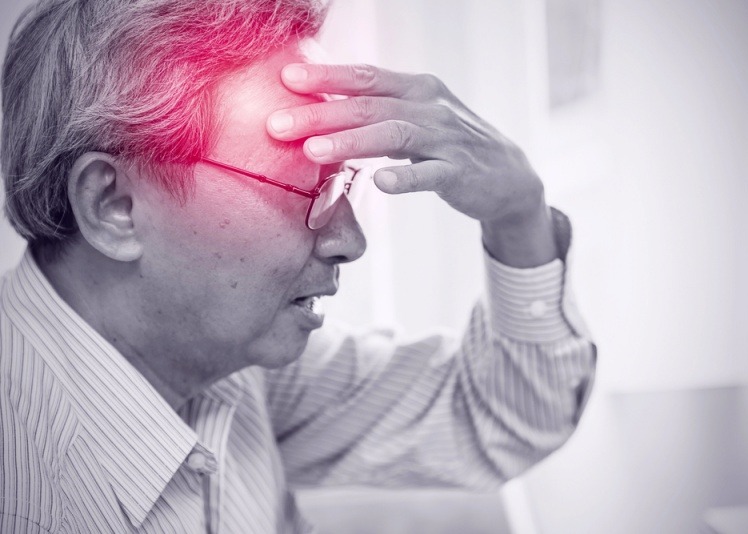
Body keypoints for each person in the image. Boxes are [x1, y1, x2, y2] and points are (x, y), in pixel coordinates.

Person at [0, 0, 596, 532]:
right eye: (305, 188)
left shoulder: (224, 359)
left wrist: (518, 213)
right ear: (115, 206)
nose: (349, 241)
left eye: (338, 184)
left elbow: (501, 416)